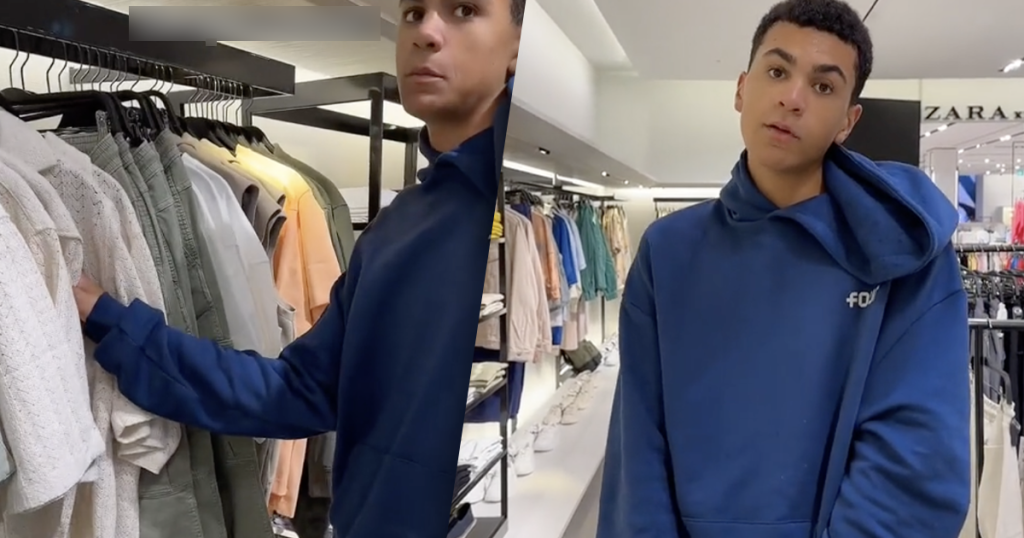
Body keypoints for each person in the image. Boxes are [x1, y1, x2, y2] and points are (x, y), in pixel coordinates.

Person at [72, 0, 523, 536]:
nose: (425, 31)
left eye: (464, 9)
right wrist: (114, 323)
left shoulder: (483, 209)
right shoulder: (398, 229)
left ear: (519, 47)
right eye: (413, 12)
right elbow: (295, 389)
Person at [597, 1, 970, 537]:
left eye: (823, 86)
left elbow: (916, 465)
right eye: (777, 71)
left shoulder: (906, 253)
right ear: (741, 89)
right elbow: (638, 454)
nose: (792, 98)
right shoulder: (668, 250)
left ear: (847, 122)